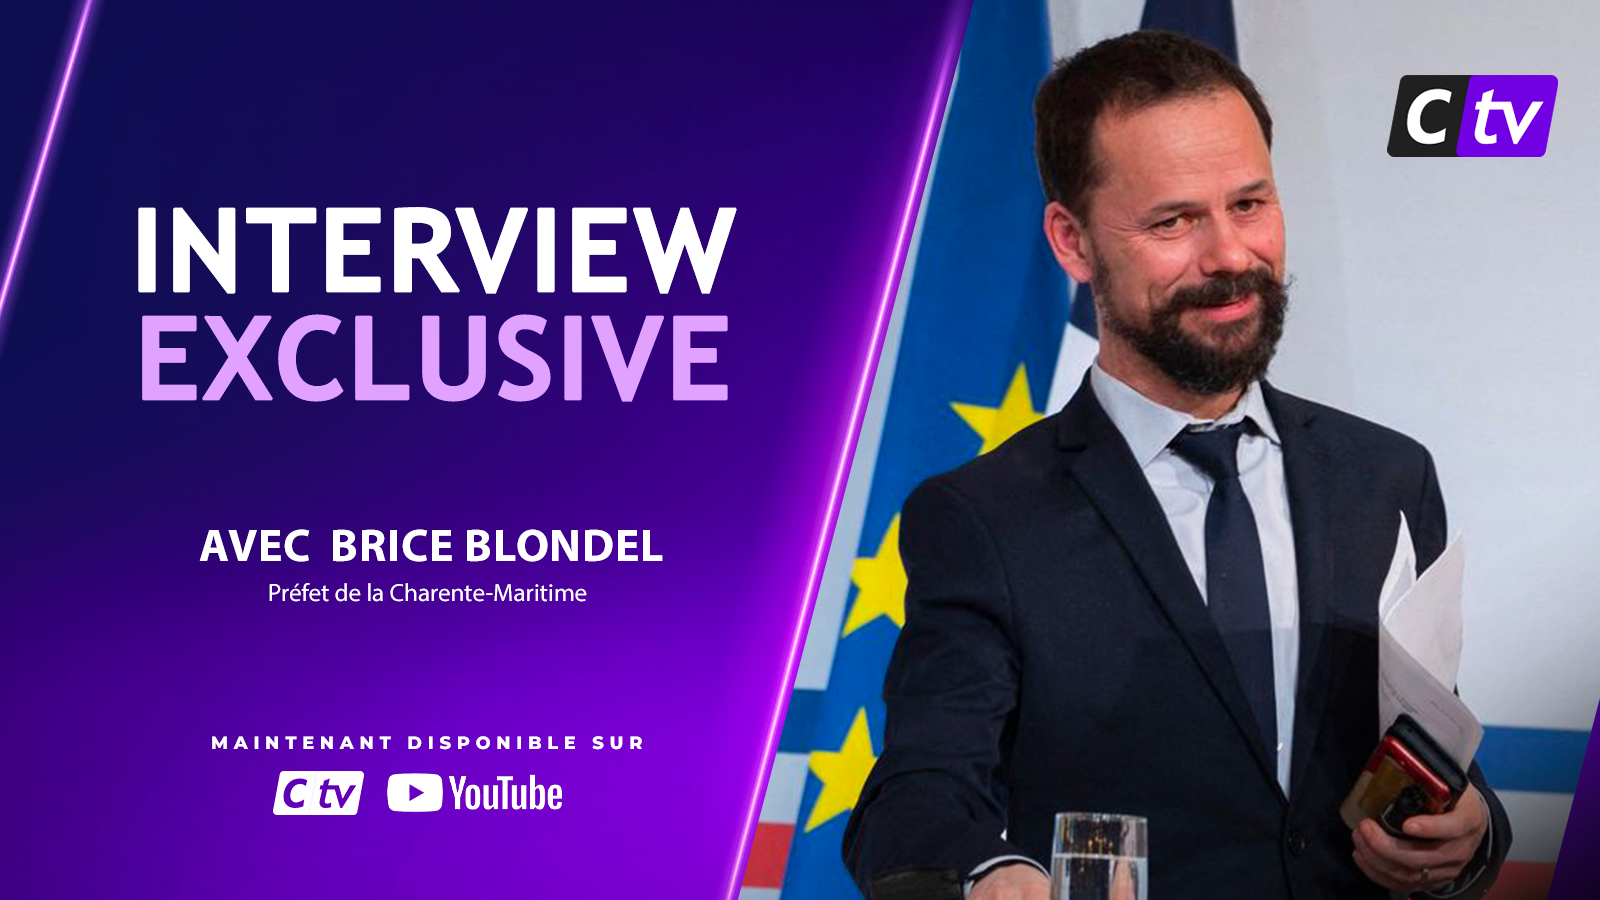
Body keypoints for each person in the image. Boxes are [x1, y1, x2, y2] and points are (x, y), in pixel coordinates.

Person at [841, 30, 1510, 900]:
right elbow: (914, 797)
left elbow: (1427, 745)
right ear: (1072, 243)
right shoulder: (984, 517)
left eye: (1248, 204)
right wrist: (989, 875)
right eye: (1173, 221)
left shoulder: (1385, 478)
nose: (1230, 256)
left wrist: (1473, 831)